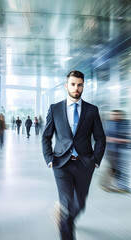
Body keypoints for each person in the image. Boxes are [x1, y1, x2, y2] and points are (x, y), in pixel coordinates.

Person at [42, 70, 106, 240]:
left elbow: (100, 138)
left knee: (80, 204)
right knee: (67, 202)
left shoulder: (92, 110)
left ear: (83, 86)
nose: (76, 88)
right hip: (61, 164)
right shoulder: (55, 109)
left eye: (79, 85)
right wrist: (49, 159)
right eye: (73, 84)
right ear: (66, 86)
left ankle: (64, 219)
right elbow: (46, 136)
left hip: (85, 164)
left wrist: (96, 160)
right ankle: (67, 231)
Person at [101, 110, 131, 193]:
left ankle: (122, 187)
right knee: (111, 168)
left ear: (122, 115)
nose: (115, 116)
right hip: (110, 150)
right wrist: (117, 139)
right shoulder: (107, 123)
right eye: (113, 114)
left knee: (122, 168)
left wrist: (114, 139)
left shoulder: (125, 123)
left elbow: (129, 138)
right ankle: (106, 184)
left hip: (122, 150)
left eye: (118, 114)